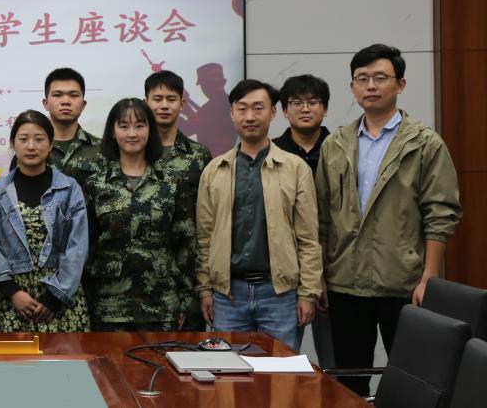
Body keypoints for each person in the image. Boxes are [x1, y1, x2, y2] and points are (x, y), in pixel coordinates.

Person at [315, 45, 461, 395]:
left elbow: (441, 212)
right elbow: (322, 217)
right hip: (345, 282)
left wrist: (429, 277)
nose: (371, 86)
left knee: (412, 379)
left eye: (380, 78)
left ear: (401, 84)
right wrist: (319, 274)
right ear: (352, 87)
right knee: (350, 380)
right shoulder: (335, 144)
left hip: (404, 282)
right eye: (362, 79)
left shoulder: (424, 143)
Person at [195, 79, 321, 351]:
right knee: (229, 373)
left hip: (279, 295)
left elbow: (309, 239)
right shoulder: (214, 170)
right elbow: (204, 238)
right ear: (232, 114)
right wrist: (205, 289)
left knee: (280, 373)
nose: (250, 116)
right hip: (228, 296)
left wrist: (308, 293)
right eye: (242, 109)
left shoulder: (295, 168)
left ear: (273, 112)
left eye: (258, 108)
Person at [83, 98, 194, 331]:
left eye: (140, 126)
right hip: (108, 306)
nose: (132, 133)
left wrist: (186, 298)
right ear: (112, 132)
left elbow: (185, 243)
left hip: (161, 304)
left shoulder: (171, 182)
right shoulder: (96, 184)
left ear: (150, 131)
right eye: (124, 126)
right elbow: (86, 246)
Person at [0, 110, 90, 332]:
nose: (31, 146)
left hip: (61, 301)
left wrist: (54, 298)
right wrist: (13, 292)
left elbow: (77, 248)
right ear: (13, 144)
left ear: (50, 144)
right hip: (13, 303)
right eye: (23, 139)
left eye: (39, 139)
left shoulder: (69, 189)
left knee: (65, 356)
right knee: (12, 356)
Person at [272, 73, 335, 368]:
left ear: (325, 109)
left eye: (313, 102)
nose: (305, 108)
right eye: (296, 102)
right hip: (283, 271)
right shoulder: (271, 152)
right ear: (284, 110)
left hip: (336, 267)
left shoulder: (342, 149)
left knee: (336, 361)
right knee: (280, 361)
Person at [144, 70, 212, 331]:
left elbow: (208, 216)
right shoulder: (132, 152)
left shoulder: (199, 156)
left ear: (182, 103)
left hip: (188, 272)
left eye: (171, 99)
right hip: (141, 272)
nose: (164, 105)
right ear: (146, 102)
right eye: (157, 99)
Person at [42, 67, 100, 187]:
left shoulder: (102, 150)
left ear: (83, 105)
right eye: (57, 95)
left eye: (73, 95)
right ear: (46, 103)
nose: (66, 101)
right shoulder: (31, 149)